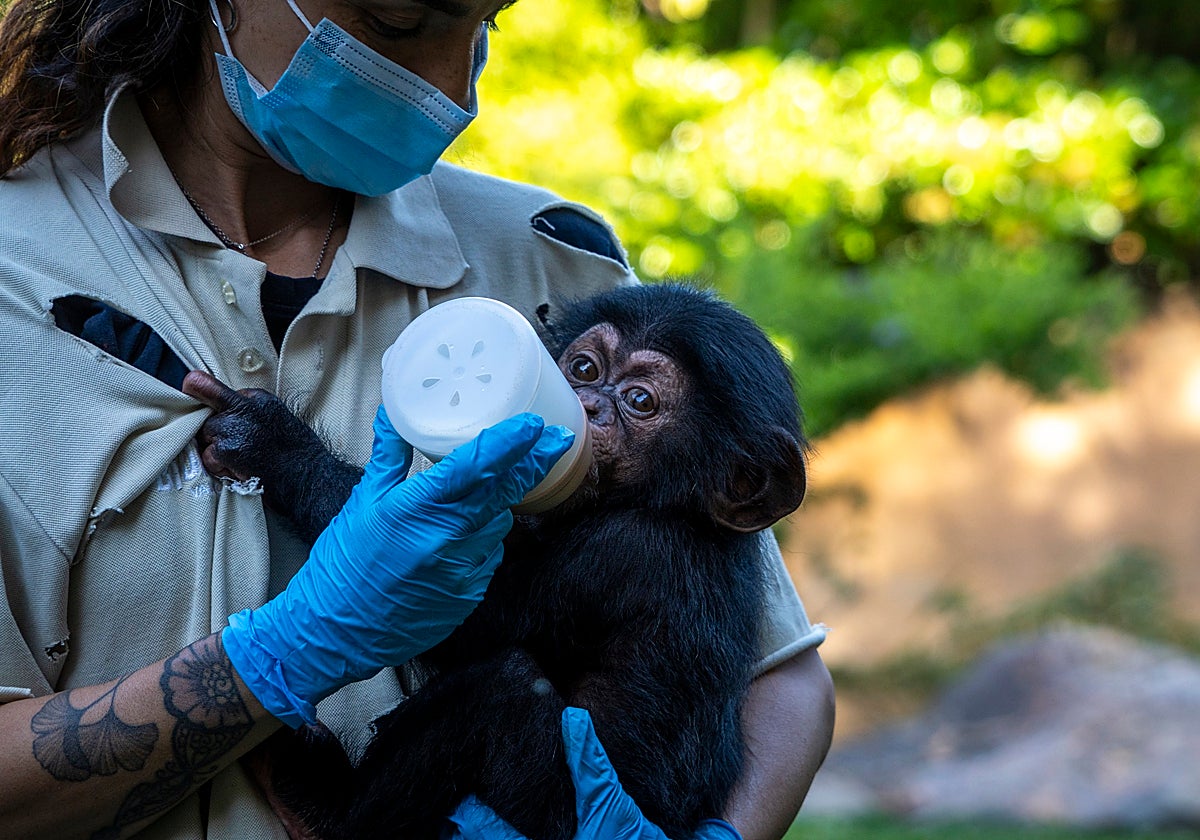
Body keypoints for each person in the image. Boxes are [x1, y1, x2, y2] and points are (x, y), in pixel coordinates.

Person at [0, 0, 836, 835]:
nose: (451, 85)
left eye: (487, 22)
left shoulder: (549, 260)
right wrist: (271, 662)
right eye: (398, 18)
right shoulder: (19, 268)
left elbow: (783, 679)